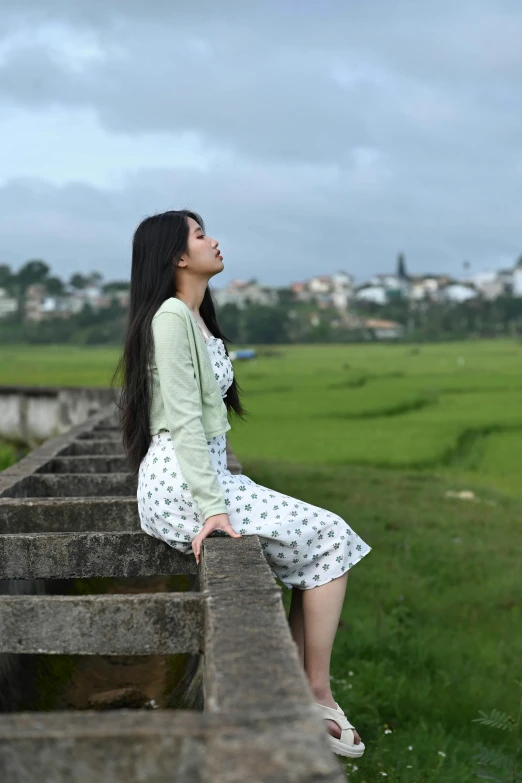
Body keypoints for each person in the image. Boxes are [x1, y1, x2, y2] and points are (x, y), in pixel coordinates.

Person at [115, 209, 372, 757]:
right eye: (201, 234)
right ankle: (317, 692)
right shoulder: (169, 318)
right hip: (182, 480)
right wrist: (213, 507)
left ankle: (307, 691)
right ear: (179, 257)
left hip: (201, 471)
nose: (214, 241)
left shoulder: (195, 315)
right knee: (330, 536)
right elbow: (184, 418)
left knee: (323, 544)